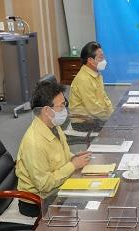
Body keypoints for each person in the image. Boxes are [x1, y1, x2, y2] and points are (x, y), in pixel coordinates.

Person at [16, 80, 91, 216]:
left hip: (57, 188)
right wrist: (73, 165)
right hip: (38, 201)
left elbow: (58, 155)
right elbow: (44, 184)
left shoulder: (53, 126)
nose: (65, 109)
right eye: (61, 105)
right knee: (88, 209)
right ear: (47, 110)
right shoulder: (34, 143)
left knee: (92, 193)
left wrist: (73, 157)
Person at [69, 41, 113, 123]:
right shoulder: (83, 79)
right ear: (90, 60)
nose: (104, 60)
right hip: (83, 122)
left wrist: (112, 114)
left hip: (96, 117)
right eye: (100, 57)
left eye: (103, 57)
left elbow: (104, 98)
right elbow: (93, 108)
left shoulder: (96, 73)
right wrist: (110, 119)